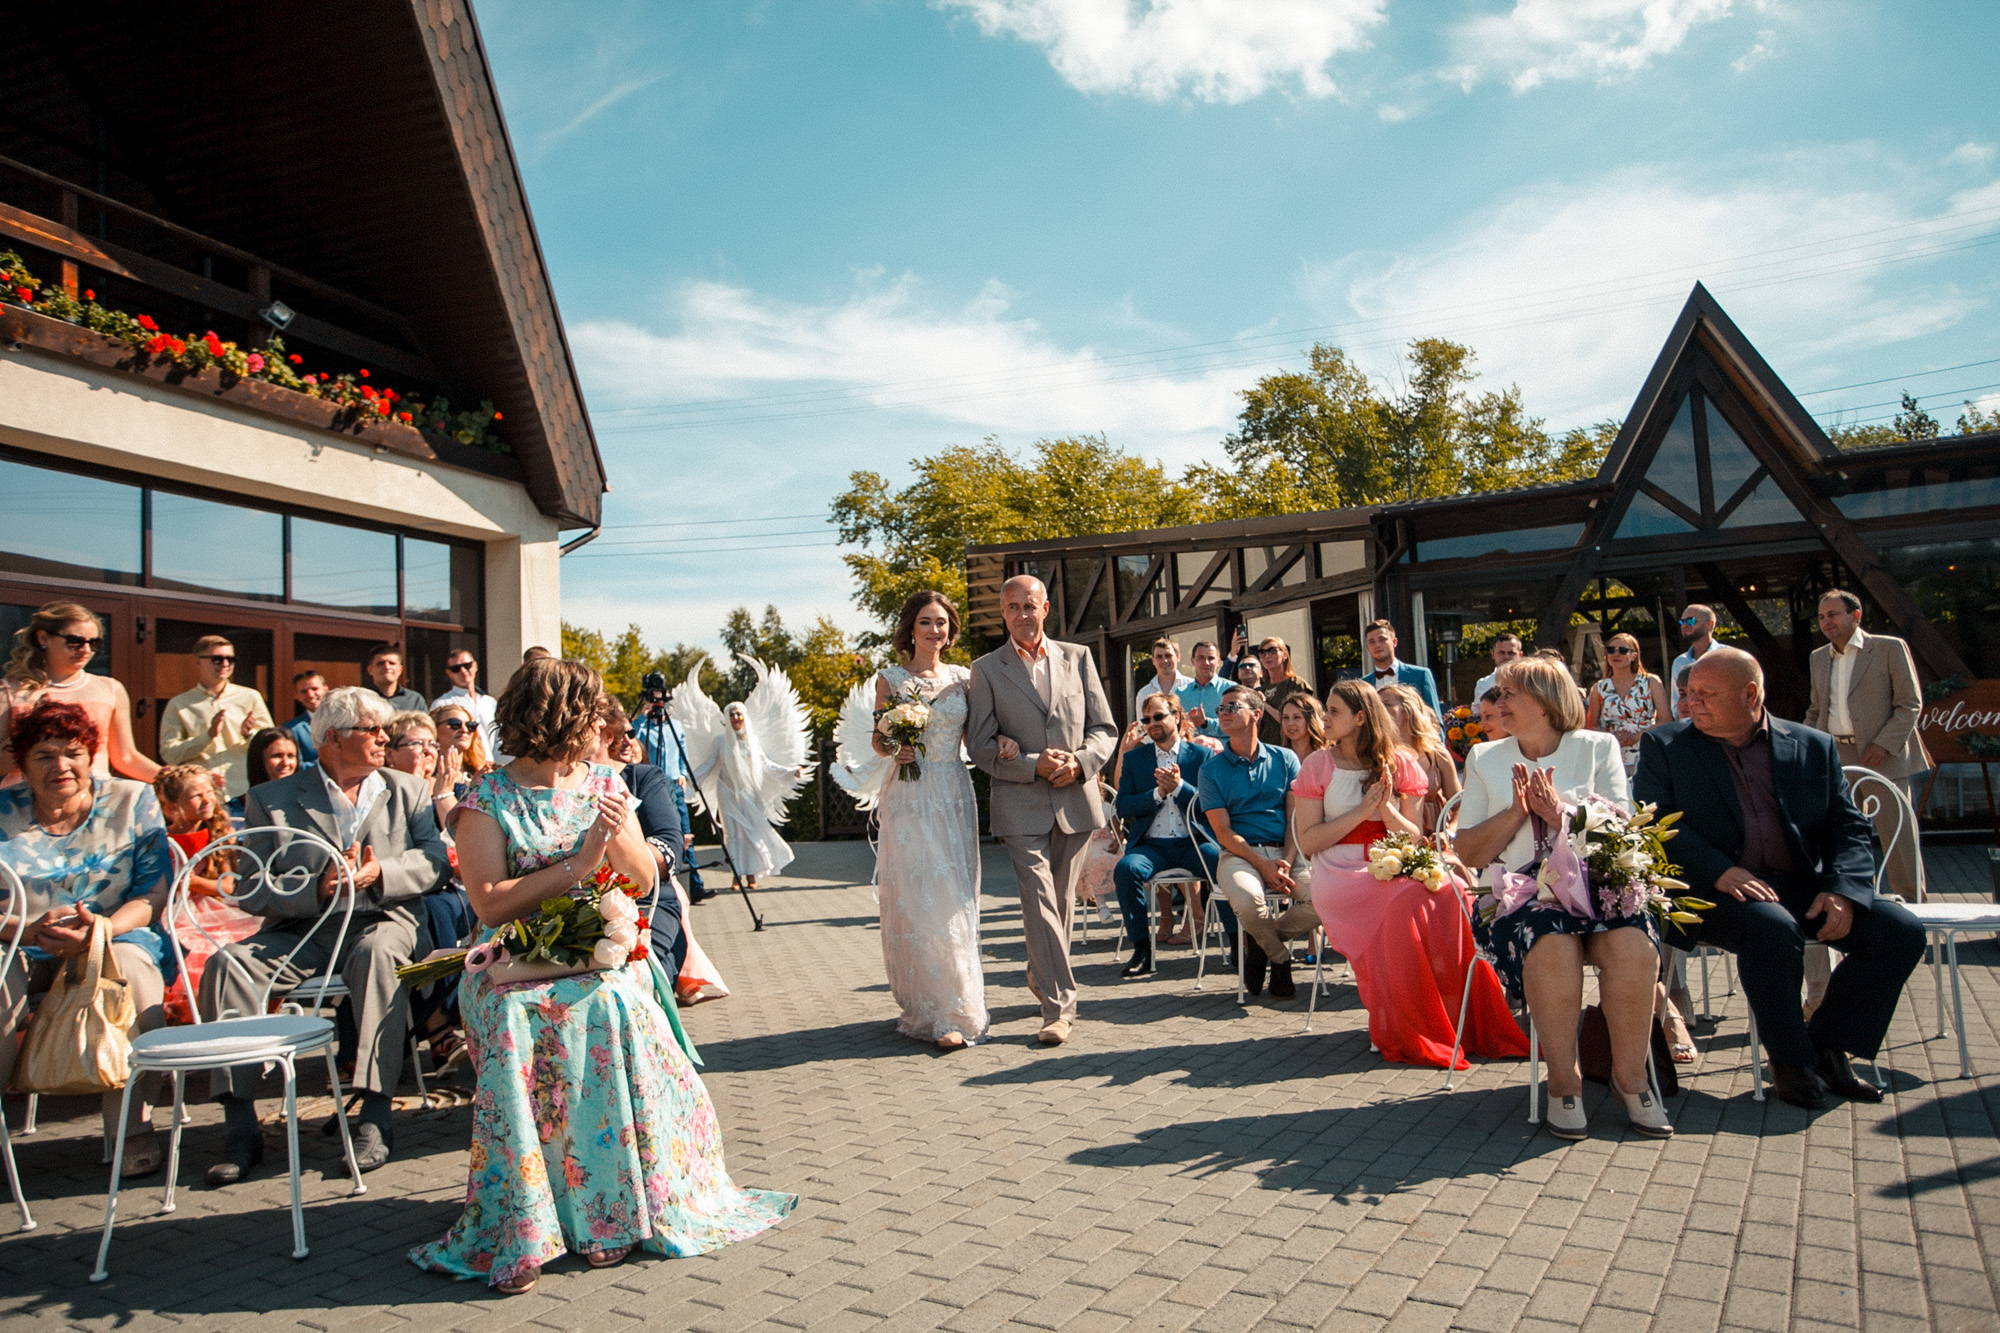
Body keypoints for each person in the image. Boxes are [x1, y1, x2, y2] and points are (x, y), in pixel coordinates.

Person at [409, 658, 793, 1293]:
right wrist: (580, 861)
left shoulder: (604, 783)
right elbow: (489, 904)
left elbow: (642, 879)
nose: (602, 727)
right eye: (590, 714)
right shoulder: (487, 800)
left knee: (617, 1005)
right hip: (512, 960)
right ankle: (526, 1225)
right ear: (559, 719)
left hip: (596, 954)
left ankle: (610, 1213)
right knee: (517, 1019)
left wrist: (616, 836)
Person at [1639, 647, 1927, 1110]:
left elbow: (1847, 826)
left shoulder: (1812, 746)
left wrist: (1842, 890)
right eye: (1689, 693)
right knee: (1772, 930)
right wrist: (1719, 869)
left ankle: (1827, 1046)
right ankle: (1791, 1063)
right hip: (1709, 891)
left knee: (1900, 931)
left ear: (1750, 694)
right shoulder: (1667, 746)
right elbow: (1655, 822)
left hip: (1797, 886)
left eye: (1707, 694)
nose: (1691, 702)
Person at [200, 687, 449, 1182]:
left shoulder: (408, 790)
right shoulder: (272, 799)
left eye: (386, 730)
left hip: (383, 921)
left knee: (378, 956)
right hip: (304, 928)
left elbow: (435, 861)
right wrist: (315, 887)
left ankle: (375, 1114)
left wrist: (382, 873)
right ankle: (240, 1124)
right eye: (372, 730)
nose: (385, 739)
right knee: (228, 965)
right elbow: (251, 886)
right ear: (333, 738)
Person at [1457, 657, 1666, 1140]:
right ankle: (1563, 1082)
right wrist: (1516, 811)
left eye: (1509, 693)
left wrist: (1560, 814)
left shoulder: (1596, 747)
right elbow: (1468, 852)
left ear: (1545, 702)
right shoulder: (1485, 757)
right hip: (1519, 895)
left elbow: (1624, 829)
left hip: (1599, 885)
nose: (1498, 703)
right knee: (1551, 943)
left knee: (1634, 946)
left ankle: (1631, 1079)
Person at [1299, 681, 1527, 1069]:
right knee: (1403, 901)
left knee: (1454, 889)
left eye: (1333, 711)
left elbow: (1413, 836)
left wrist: (1386, 811)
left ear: (1360, 717)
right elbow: (1309, 841)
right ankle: (1409, 1020)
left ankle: (1459, 1017)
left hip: (1395, 858)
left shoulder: (1401, 762)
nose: (1325, 718)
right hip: (1339, 871)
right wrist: (1361, 812)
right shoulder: (1318, 765)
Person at [0, 700, 172, 1175]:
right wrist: (26, 929)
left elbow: (154, 893)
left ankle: (132, 1125)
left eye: (73, 753)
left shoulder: (132, 799)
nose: (61, 765)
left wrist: (102, 929)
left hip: (115, 934)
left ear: (90, 756)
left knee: (132, 971)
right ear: (22, 763)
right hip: (20, 940)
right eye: (45, 755)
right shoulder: (1, 810)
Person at [967, 575, 1117, 1047]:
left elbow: (1105, 729)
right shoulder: (985, 670)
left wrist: (1080, 763)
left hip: (1075, 800)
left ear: (1045, 608)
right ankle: (1059, 1007)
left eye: (1029, 605)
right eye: (1012, 607)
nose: (1021, 615)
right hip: (1020, 804)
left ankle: (1041, 973)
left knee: (1061, 904)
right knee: (1038, 900)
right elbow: (980, 745)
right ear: (1003, 613)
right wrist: (1033, 764)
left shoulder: (1078, 657)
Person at [866, 591, 987, 1047]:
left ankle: (958, 1008)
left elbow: (978, 735)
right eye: (925, 622)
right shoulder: (890, 679)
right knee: (918, 898)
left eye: (941, 622)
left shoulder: (965, 678)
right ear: (910, 629)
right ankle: (929, 1007)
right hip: (909, 794)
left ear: (950, 630)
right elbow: (877, 740)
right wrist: (894, 746)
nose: (935, 630)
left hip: (953, 791)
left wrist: (1006, 745)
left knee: (954, 895)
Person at [1804, 589, 1929, 899]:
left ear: (1855, 616)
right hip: (1837, 756)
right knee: (1844, 838)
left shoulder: (1888, 648)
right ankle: (1856, 904)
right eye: (1822, 617)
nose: (1826, 622)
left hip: (1882, 756)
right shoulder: (1818, 657)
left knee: (1897, 837)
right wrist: (1805, 750)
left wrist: (1883, 744)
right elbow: (1816, 711)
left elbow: (1909, 704)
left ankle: (1915, 908)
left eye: (1833, 614)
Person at [1196, 685, 1313, 1001]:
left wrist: (1287, 861)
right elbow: (1223, 832)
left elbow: (1295, 818)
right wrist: (1262, 865)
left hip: (1287, 851)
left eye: (1232, 707)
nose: (1223, 713)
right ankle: (1280, 957)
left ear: (1256, 714)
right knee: (1248, 902)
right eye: (1220, 708)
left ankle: (1261, 943)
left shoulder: (1285, 758)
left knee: (1323, 900)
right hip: (1239, 855)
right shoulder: (1210, 770)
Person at [589, 698, 705, 1001]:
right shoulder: (558, 784)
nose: (628, 740)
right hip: (581, 906)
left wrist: (620, 855)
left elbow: (670, 847)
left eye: (631, 732)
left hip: (645, 903)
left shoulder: (642, 778)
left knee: (635, 983)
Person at [1110, 692, 1219, 978]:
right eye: (1146, 720)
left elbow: (1211, 805)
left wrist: (1180, 788)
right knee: (1126, 870)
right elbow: (1123, 806)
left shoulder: (1202, 756)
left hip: (1192, 843)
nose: (1152, 724)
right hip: (1152, 847)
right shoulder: (1136, 759)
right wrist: (1158, 793)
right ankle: (1141, 950)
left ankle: (1238, 945)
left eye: (1158, 716)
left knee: (1223, 863)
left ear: (1177, 717)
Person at [0, 601, 157, 787]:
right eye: (75, 641)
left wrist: (173, 778)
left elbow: (126, 758)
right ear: (43, 638)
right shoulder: (10, 691)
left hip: (93, 796)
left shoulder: (109, 689)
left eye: (94, 643)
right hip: (28, 796)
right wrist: (31, 735)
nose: (86, 650)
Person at [690, 701, 810, 893]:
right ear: (727, 718)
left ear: (744, 716)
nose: (735, 718)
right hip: (727, 792)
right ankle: (736, 875)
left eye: (738, 714)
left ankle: (752, 873)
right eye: (731, 714)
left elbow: (766, 764)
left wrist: (790, 771)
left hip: (749, 793)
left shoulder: (752, 740)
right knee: (732, 835)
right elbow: (709, 764)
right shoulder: (720, 741)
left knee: (751, 832)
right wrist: (690, 779)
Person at [159, 635, 274, 804]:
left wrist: (249, 735)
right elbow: (169, 754)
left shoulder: (250, 697)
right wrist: (207, 737)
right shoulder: (179, 704)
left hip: (246, 792)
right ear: (198, 661)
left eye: (231, 659)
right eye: (217, 659)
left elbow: (270, 746)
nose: (225, 664)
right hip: (203, 797)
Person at [633, 672, 709, 903]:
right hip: (652, 785)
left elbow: (682, 750)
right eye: (653, 698)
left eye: (660, 698)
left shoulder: (675, 726)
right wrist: (641, 717)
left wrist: (683, 773)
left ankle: (695, 884)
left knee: (684, 833)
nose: (658, 702)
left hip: (674, 783)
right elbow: (632, 742)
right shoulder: (643, 726)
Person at [1379, 682, 1460, 836]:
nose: (1378, 710)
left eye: (1386, 704)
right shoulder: (1377, 755)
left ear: (1407, 712)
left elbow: (1460, 805)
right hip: (1392, 841)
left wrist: (1449, 832)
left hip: (1435, 840)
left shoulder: (1437, 755)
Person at [1587, 633, 1669, 779]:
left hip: (1646, 749)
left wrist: (1637, 736)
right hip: (1613, 752)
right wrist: (1612, 737)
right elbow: (1592, 726)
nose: (1616, 654)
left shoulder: (1651, 682)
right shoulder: (1599, 688)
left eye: (1623, 650)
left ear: (1634, 656)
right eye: (1611, 650)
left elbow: (1665, 719)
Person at [1355, 620, 1443, 719]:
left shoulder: (1420, 675)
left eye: (1382, 639)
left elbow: (1435, 720)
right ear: (1367, 647)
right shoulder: (1363, 685)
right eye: (1372, 642)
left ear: (1394, 642)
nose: (1377, 645)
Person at [430, 648, 501, 759]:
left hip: (494, 764)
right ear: (449, 673)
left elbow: (498, 736)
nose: (463, 671)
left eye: (467, 665)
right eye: (456, 669)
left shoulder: (489, 702)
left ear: (475, 666)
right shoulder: (442, 703)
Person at [1668, 604, 1717, 718]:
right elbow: (1676, 704)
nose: (1684, 625)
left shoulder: (1728, 657)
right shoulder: (1679, 662)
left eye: (1691, 621)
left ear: (1709, 624)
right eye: (1682, 622)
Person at [1176, 640, 1227, 741]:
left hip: (1222, 749)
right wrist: (1185, 723)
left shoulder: (1231, 690)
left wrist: (1206, 723)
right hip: (1191, 750)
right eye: (1201, 658)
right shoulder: (1180, 694)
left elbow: (1237, 725)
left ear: (1218, 661)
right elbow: (1174, 728)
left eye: (1211, 658)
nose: (1206, 663)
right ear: (1192, 661)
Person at [1135, 638, 1194, 712]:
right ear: (1153, 661)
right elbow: (1142, 719)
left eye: (1168, 655)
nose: (1164, 660)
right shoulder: (1144, 694)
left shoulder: (1192, 687)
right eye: (1159, 657)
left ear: (1178, 657)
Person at [365, 643, 427, 713]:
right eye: (381, 663)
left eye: (392, 663)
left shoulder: (415, 700)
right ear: (370, 670)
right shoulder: (361, 698)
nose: (387, 667)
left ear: (400, 670)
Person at [286, 671, 326, 766]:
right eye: (304, 691)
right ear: (297, 696)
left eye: (314, 689)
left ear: (326, 690)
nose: (310, 695)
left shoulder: (345, 721)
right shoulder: (291, 729)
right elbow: (296, 765)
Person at [1472, 632, 1524, 703]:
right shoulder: (1483, 685)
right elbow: (1479, 710)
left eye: (1511, 653)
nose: (1506, 657)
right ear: (1492, 654)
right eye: (1501, 653)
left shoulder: (1529, 682)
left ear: (1520, 655)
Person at [1278, 692, 1328, 764]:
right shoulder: (1278, 759)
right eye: (1285, 717)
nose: (1290, 723)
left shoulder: (1327, 757)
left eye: (1296, 717)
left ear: (1311, 720)